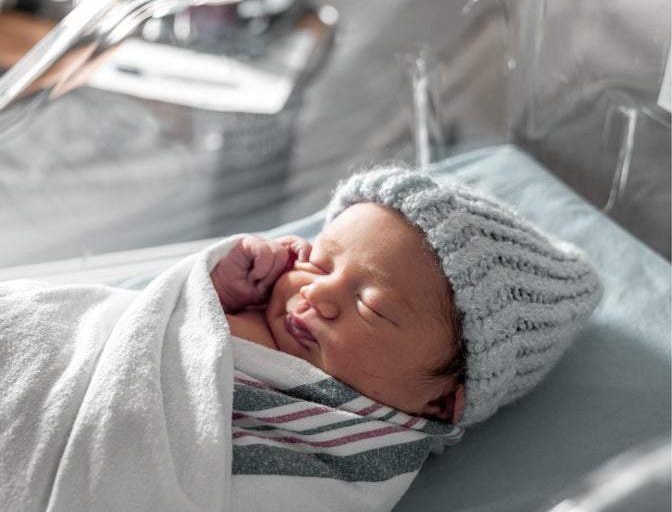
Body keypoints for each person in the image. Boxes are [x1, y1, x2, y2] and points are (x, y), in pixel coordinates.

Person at [210, 166, 603, 427]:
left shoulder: (357, 442)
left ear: (440, 404)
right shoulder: (241, 305)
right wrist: (213, 283)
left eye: (370, 308)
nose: (316, 291)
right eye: (320, 263)